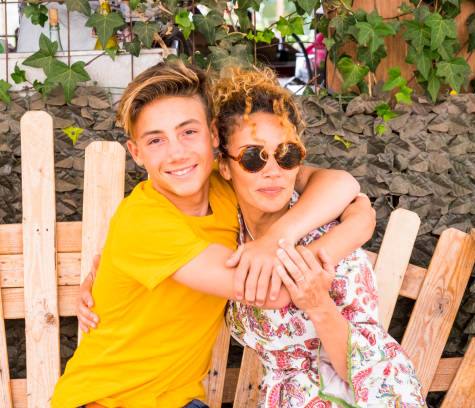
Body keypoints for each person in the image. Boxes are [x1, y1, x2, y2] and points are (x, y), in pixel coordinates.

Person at [51, 60, 375, 408]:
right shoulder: (144, 223)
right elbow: (275, 292)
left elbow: (341, 183)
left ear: (214, 136)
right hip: (104, 400)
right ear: (136, 153)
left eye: (188, 132)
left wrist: (280, 237)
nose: (177, 152)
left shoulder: (229, 185)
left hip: (181, 400)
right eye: (156, 140)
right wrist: (354, 229)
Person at [213, 68, 426, 407]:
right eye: (253, 157)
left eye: (287, 155)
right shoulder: (226, 226)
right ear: (224, 166)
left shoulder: (328, 234)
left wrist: (318, 304)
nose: (273, 171)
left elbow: (373, 372)